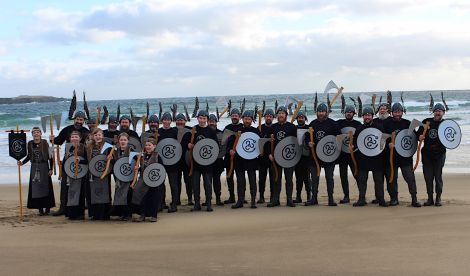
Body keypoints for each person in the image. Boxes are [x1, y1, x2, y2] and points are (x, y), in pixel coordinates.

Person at [50, 110, 89, 216]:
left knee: (80, 186)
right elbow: (58, 141)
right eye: (77, 119)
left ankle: (79, 208)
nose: (79, 121)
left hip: (81, 162)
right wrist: (52, 139)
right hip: (68, 161)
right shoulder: (67, 130)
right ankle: (63, 208)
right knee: (65, 185)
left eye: (81, 120)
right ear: (74, 119)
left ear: (83, 120)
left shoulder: (86, 132)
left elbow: (90, 145)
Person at [383, 103, 421, 207]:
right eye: (395, 112)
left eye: (399, 112)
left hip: (405, 157)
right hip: (391, 157)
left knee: (409, 177)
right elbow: (382, 138)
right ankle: (394, 199)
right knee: (392, 178)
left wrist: (420, 137)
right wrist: (388, 144)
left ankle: (414, 199)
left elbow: (415, 137)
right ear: (392, 113)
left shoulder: (408, 123)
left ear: (402, 112)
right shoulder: (386, 123)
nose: (397, 114)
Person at [351, 107, 388, 207]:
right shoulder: (359, 128)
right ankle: (361, 199)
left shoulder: (379, 127)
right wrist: (353, 146)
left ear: (372, 116)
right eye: (365, 115)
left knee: (379, 180)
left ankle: (381, 199)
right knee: (362, 180)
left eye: (369, 115)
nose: (367, 117)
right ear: (362, 116)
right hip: (363, 159)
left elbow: (383, 140)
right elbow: (355, 142)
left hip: (377, 158)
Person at [305, 103, 340, 206]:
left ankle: (330, 198)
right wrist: (309, 143)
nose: (321, 113)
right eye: (319, 111)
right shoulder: (312, 124)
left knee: (329, 178)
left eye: (322, 111)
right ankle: (314, 198)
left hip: (328, 156)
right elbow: (307, 137)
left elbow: (338, 137)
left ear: (326, 112)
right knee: (314, 178)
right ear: (316, 112)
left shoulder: (333, 124)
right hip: (314, 157)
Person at [183, 110, 218, 212]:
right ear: (197, 118)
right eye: (200, 118)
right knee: (195, 183)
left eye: (204, 118)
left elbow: (216, 146)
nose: (202, 120)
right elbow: (185, 143)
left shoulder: (211, 131)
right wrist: (188, 145)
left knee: (207, 183)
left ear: (207, 119)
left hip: (207, 162)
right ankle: (197, 204)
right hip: (195, 162)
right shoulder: (193, 130)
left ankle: (208, 204)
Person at [18, 127, 55, 216]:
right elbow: (28, 156)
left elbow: (51, 156)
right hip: (34, 167)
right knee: (36, 188)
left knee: (46, 187)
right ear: (32, 134)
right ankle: (40, 209)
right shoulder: (30, 144)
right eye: (34, 132)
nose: (36, 134)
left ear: (40, 134)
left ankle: (47, 208)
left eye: (38, 132)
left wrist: (51, 169)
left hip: (44, 167)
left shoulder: (45, 142)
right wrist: (22, 162)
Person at [417, 103, 447, 207]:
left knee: (438, 176)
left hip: (440, 154)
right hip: (427, 154)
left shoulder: (446, 124)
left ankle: (438, 199)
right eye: (436, 110)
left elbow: (452, 137)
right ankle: (430, 199)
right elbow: (417, 134)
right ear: (433, 112)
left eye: (440, 111)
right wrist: (419, 137)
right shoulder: (426, 122)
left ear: (443, 112)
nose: (437, 112)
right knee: (428, 177)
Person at [229, 110, 261, 209]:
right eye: (245, 119)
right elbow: (230, 144)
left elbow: (260, 145)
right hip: (239, 160)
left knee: (252, 180)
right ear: (242, 119)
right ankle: (240, 201)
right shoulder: (237, 131)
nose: (247, 120)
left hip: (251, 160)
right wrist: (231, 151)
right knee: (240, 181)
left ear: (252, 120)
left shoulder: (256, 131)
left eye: (249, 119)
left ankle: (253, 201)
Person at [268, 106, 297, 207]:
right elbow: (268, 143)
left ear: (286, 115)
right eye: (279, 113)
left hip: (288, 157)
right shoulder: (273, 127)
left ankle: (289, 200)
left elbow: (296, 143)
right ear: (277, 115)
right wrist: (269, 154)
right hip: (275, 157)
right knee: (276, 179)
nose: (281, 115)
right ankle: (276, 200)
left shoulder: (292, 127)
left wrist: (294, 156)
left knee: (289, 179)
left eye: (282, 113)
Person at [131, 138, 162, 222]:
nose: (147, 147)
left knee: (153, 198)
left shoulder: (157, 156)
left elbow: (161, 169)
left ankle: (154, 215)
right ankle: (142, 215)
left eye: (149, 145)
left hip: (153, 181)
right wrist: (137, 168)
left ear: (154, 146)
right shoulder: (141, 156)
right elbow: (141, 168)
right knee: (142, 197)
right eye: (146, 145)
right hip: (143, 179)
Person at [336, 105, 362, 204]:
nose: (349, 113)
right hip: (342, 154)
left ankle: (361, 195)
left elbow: (361, 138)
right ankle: (346, 196)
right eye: (347, 112)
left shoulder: (358, 124)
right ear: (344, 113)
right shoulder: (339, 123)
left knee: (357, 174)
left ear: (354, 114)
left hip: (353, 154)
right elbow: (333, 130)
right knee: (343, 176)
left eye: (351, 112)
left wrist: (355, 147)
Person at [86, 128, 112, 220]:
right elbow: (86, 159)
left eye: (99, 135)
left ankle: (105, 214)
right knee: (94, 193)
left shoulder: (107, 146)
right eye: (96, 135)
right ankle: (95, 214)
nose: (98, 136)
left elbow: (113, 156)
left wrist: (110, 157)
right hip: (93, 173)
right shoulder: (89, 146)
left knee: (104, 192)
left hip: (104, 172)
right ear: (93, 136)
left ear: (102, 136)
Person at [158, 112, 180, 213]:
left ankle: (174, 204)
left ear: (171, 121)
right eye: (165, 120)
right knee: (161, 183)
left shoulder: (175, 131)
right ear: (162, 121)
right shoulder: (158, 132)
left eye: (168, 120)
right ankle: (161, 203)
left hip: (173, 161)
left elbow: (178, 145)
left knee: (173, 183)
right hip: (161, 161)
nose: (166, 121)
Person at [64, 131, 87, 220]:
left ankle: (79, 214)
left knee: (80, 194)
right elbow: (65, 161)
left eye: (76, 137)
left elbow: (88, 161)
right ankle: (70, 214)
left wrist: (80, 161)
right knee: (70, 193)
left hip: (81, 174)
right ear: (70, 139)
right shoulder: (68, 148)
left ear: (80, 138)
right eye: (72, 137)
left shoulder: (83, 147)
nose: (74, 138)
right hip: (70, 174)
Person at [110, 132, 134, 220]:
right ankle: (120, 213)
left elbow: (136, 162)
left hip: (128, 176)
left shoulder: (131, 150)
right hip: (119, 176)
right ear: (118, 141)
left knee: (128, 194)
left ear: (128, 141)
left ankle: (128, 214)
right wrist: (111, 160)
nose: (123, 141)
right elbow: (115, 163)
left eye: (125, 140)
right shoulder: (115, 151)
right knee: (120, 194)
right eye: (121, 140)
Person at [223, 108, 243, 204]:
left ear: (239, 116)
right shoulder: (227, 128)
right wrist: (228, 151)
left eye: (236, 115)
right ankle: (232, 197)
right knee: (229, 177)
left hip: (240, 158)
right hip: (228, 157)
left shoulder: (243, 127)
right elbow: (222, 142)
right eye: (233, 115)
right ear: (230, 116)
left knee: (240, 178)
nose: (234, 117)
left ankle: (241, 198)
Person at [175, 113, 193, 206]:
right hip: (175, 160)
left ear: (185, 121)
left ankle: (190, 199)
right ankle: (177, 199)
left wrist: (191, 145)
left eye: (182, 120)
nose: (180, 121)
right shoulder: (173, 130)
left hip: (186, 159)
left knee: (188, 180)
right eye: (178, 120)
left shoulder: (191, 130)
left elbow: (196, 142)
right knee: (177, 181)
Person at [293, 111, 311, 204]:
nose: (300, 119)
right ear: (296, 119)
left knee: (307, 177)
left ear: (305, 119)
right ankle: (298, 197)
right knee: (298, 178)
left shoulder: (309, 128)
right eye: (299, 117)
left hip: (306, 156)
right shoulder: (294, 128)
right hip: (296, 156)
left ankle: (309, 196)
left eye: (302, 117)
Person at [258, 108, 275, 204]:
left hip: (272, 158)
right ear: (264, 117)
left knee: (273, 179)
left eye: (270, 116)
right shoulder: (259, 128)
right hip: (262, 158)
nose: (268, 117)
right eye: (267, 116)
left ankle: (273, 197)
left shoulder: (275, 128)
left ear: (273, 117)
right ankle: (261, 196)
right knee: (261, 179)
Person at [208, 114, 225, 206]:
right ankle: (208, 199)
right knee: (208, 181)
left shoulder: (220, 134)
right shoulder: (205, 132)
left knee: (217, 181)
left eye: (213, 121)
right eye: (210, 121)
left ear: (216, 122)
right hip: (207, 161)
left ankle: (218, 199)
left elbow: (224, 147)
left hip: (218, 160)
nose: (211, 123)